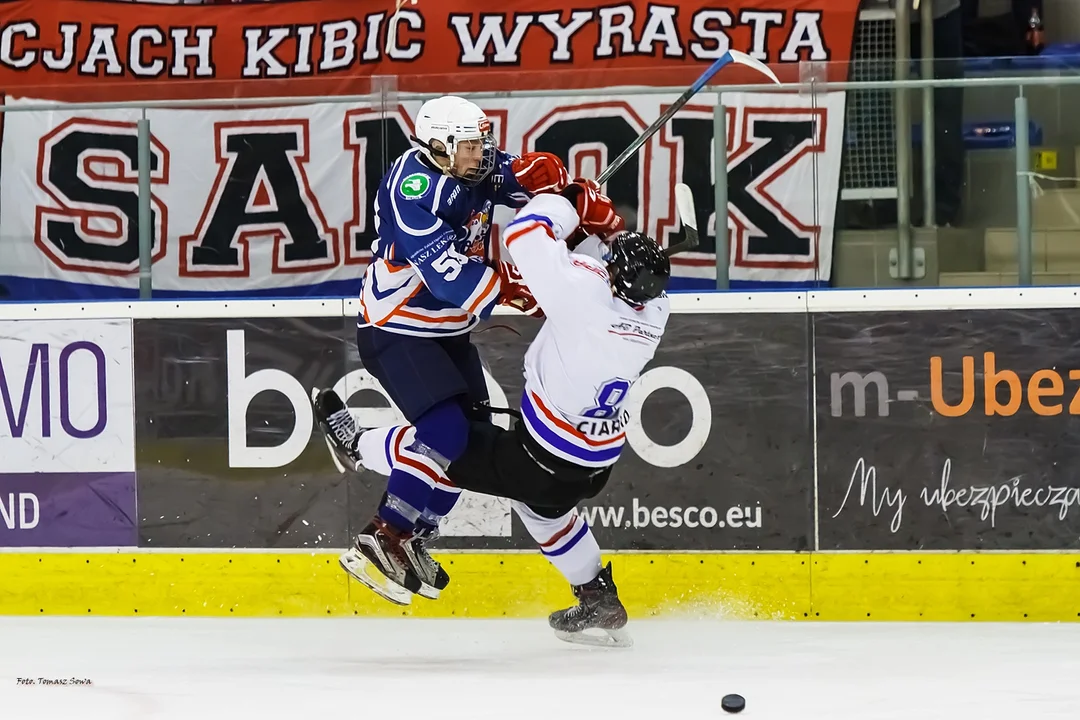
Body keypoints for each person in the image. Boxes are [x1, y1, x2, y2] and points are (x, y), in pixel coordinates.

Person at [318, 179, 672, 647]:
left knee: (447, 440)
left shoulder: (584, 292)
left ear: (611, 275)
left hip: (539, 458)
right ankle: (597, 596)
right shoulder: (656, 309)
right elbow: (589, 267)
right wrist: (592, 233)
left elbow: (526, 234)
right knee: (548, 516)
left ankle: (358, 448)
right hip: (593, 464)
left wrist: (567, 203)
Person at [310, 95, 569, 603]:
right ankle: (383, 534)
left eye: (480, 143)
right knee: (444, 429)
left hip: (447, 329)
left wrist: (561, 186)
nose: (482, 153)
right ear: (439, 146)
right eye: (470, 146)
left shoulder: (472, 165)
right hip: (398, 327)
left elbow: (519, 178)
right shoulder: (413, 186)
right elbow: (447, 276)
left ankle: (415, 534)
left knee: (474, 440)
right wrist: (514, 287)